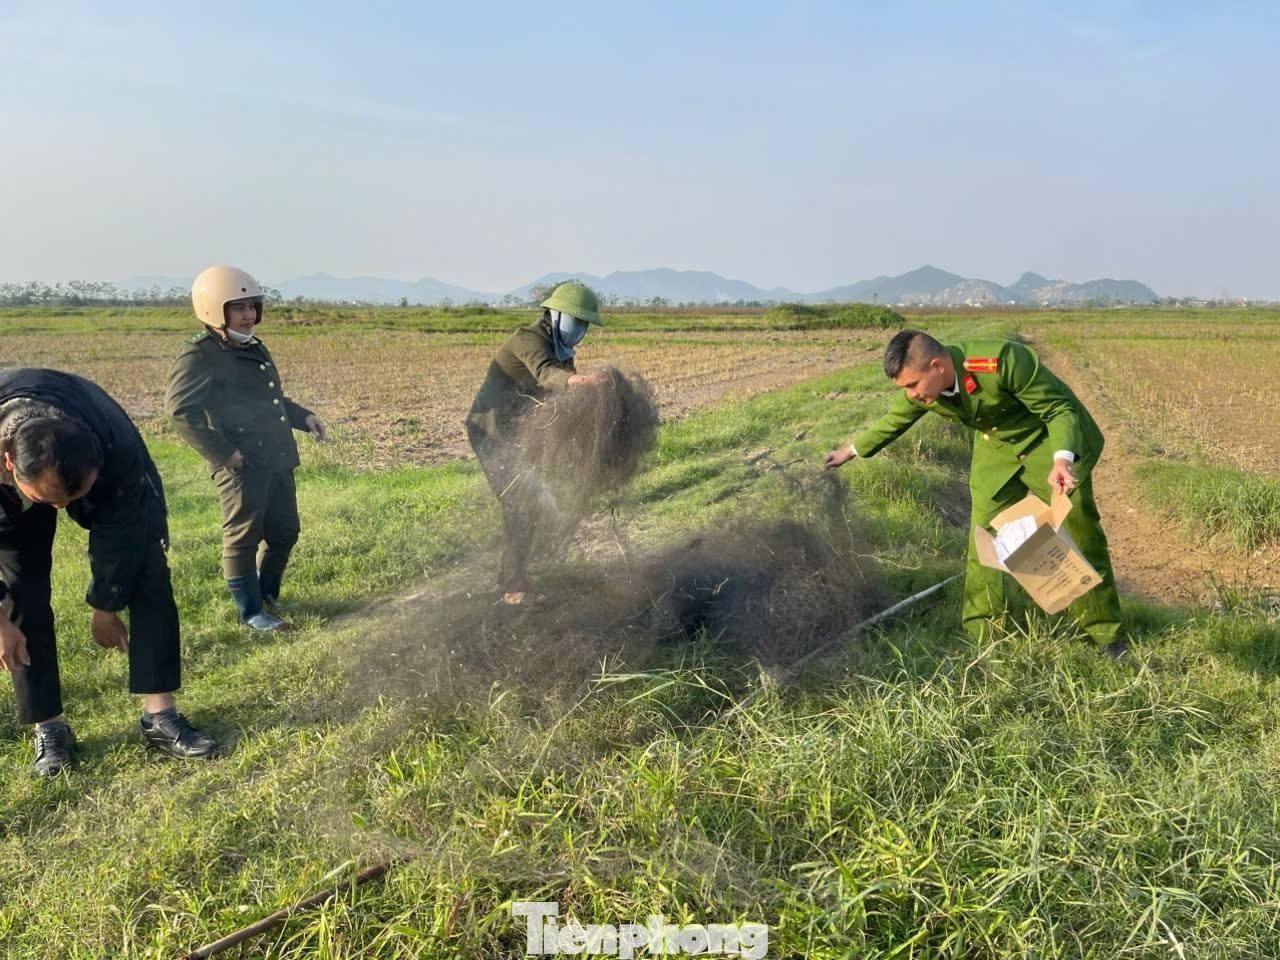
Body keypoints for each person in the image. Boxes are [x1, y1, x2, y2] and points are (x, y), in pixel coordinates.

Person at [825, 330, 1125, 656]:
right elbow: (895, 419)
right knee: (984, 537)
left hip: (1050, 443)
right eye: (904, 388)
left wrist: (1062, 460)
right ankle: (982, 631)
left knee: (1080, 534)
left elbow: (1059, 411)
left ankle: (1105, 633)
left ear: (938, 366)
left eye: (912, 385)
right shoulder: (926, 391)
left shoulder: (1003, 361)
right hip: (996, 449)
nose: (910, 395)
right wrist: (850, 451)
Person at [0, 368, 219, 776]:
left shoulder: (112, 444)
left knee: (147, 568)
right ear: (8, 463)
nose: (63, 510)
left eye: (74, 497)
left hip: (103, 457)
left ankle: (160, 716)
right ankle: (48, 726)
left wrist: (106, 603)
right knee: (21, 595)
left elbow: (125, 532)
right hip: (11, 494)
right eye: (48, 500)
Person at [165, 265, 327, 631]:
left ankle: (268, 594)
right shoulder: (199, 354)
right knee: (242, 537)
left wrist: (305, 417)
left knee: (285, 531)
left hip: (276, 457)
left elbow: (269, 400)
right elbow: (179, 411)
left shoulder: (252, 345)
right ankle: (252, 612)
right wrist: (223, 453)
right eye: (239, 308)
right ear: (214, 310)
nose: (249, 314)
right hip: (241, 464)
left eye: (252, 306)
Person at [466, 281, 603, 604]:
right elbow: (546, 375)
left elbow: (562, 398)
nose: (580, 330)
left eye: (585, 325)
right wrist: (578, 381)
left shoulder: (564, 353)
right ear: (555, 316)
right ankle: (511, 584)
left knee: (536, 497)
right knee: (519, 501)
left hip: (520, 433)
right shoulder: (527, 340)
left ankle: (516, 573)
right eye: (575, 321)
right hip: (490, 430)